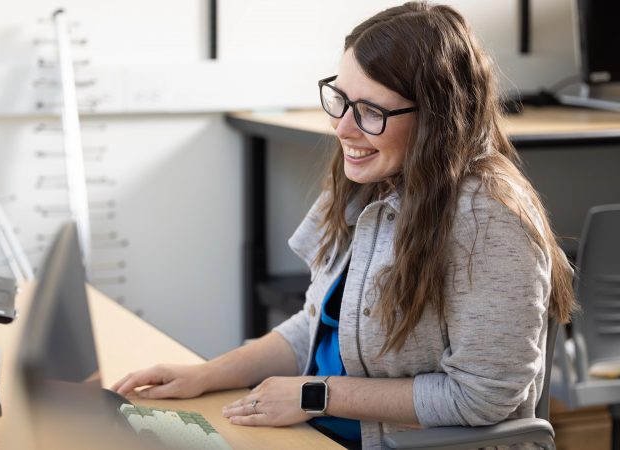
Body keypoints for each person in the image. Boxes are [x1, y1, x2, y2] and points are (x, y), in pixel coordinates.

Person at [112, 2, 577, 448]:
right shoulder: (367, 181)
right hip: (317, 428)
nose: (343, 129)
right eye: (340, 99)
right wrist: (207, 373)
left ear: (438, 118)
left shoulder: (489, 220)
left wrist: (315, 394)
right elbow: (315, 324)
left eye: (371, 112)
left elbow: (484, 397)